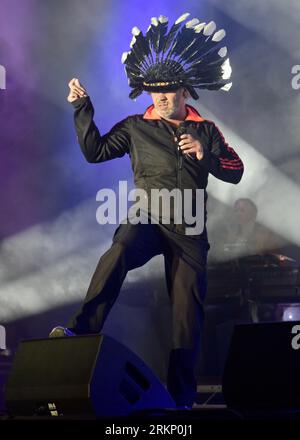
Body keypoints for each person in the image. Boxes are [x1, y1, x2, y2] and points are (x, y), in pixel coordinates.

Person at [49, 13, 244, 408]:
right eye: (154, 90)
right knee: (120, 248)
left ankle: (182, 401)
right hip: (149, 216)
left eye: (168, 90)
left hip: (189, 227)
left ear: (184, 91)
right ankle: (79, 331)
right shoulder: (137, 126)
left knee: (186, 316)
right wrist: (82, 108)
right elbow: (95, 151)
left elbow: (236, 171)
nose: (161, 97)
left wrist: (207, 156)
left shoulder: (206, 130)